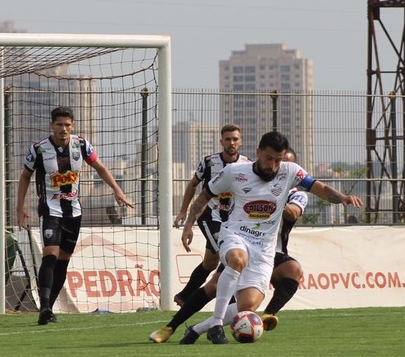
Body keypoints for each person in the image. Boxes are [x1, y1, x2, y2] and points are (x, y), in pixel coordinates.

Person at [178, 131, 363, 344]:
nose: (273, 166)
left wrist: (342, 198)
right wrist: (188, 225)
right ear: (258, 153)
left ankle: (197, 329)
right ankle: (217, 325)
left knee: (247, 307)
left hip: (264, 250)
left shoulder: (291, 171)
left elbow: (319, 188)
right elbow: (203, 197)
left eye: (278, 160)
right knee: (236, 260)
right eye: (269, 159)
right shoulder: (235, 172)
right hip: (235, 234)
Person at [150, 148, 307, 343]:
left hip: (270, 253)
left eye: (282, 164)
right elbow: (209, 193)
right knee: (214, 285)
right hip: (243, 243)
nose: (276, 168)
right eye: (273, 162)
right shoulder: (254, 182)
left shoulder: (298, 195)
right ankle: (171, 326)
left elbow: (293, 213)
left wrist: (276, 198)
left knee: (292, 271)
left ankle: (267, 314)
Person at [16, 106, 134, 325]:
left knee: (63, 261)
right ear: (52, 125)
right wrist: (19, 208)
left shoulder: (82, 145)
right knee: (49, 255)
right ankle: (43, 307)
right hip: (50, 210)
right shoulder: (39, 149)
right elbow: (25, 176)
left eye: (67, 125)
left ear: (73, 126)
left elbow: (99, 166)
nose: (63, 129)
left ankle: (49, 308)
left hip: (74, 212)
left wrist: (117, 190)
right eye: (59, 124)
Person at [171, 124, 249, 306]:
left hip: (231, 220)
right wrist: (184, 212)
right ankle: (230, 305)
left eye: (235, 139)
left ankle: (184, 296)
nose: (231, 143)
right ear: (221, 141)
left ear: (240, 142)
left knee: (210, 263)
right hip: (209, 215)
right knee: (227, 256)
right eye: (228, 139)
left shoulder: (247, 164)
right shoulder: (209, 162)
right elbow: (192, 185)